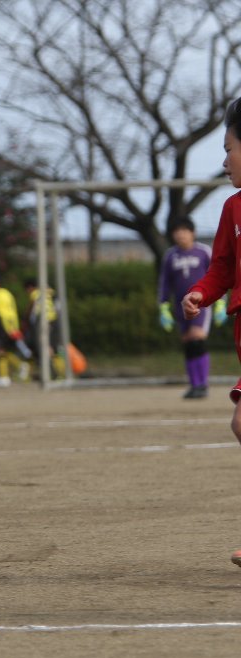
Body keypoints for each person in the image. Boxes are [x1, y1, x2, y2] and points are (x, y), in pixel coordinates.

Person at [182, 96, 241, 567]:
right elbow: (221, 266)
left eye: (229, 149)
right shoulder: (232, 209)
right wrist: (201, 292)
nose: (224, 161)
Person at [159, 215, 225, 399]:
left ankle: (203, 384)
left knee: (197, 340)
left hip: (201, 304)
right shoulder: (170, 256)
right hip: (180, 306)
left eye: (184, 231)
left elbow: (218, 275)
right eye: (177, 231)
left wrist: (220, 302)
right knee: (188, 343)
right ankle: (194, 384)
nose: (181, 235)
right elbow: (165, 283)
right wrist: (163, 307)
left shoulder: (203, 252)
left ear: (193, 233)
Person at [0, 279, 30, 386]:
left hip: (2, 324)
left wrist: (2, 327)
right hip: (13, 325)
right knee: (6, 350)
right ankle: (20, 365)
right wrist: (14, 327)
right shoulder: (7, 293)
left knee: (0, 351)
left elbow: (0, 312)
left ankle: (4, 377)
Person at [23, 277, 67, 381]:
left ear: (30, 288)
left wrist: (25, 320)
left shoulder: (36, 293)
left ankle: (53, 373)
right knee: (54, 348)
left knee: (42, 347)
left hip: (43, 320)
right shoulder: (51, 292)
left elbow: (30, 309)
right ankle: (61, 373)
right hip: (55, 320)